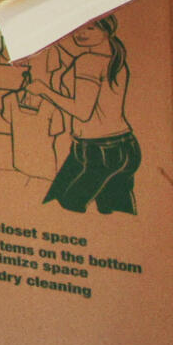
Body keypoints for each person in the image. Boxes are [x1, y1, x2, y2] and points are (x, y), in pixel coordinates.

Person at [30, 17, 138, 215]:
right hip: (124, 147)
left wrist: (43, 90)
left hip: (99, 151)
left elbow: (82, 112)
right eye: (78, 27)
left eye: (90, 28)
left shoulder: (87, 62)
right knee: (117, 215)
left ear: (107, 31)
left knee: (63, 207)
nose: (81, 33)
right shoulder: (115, 59)